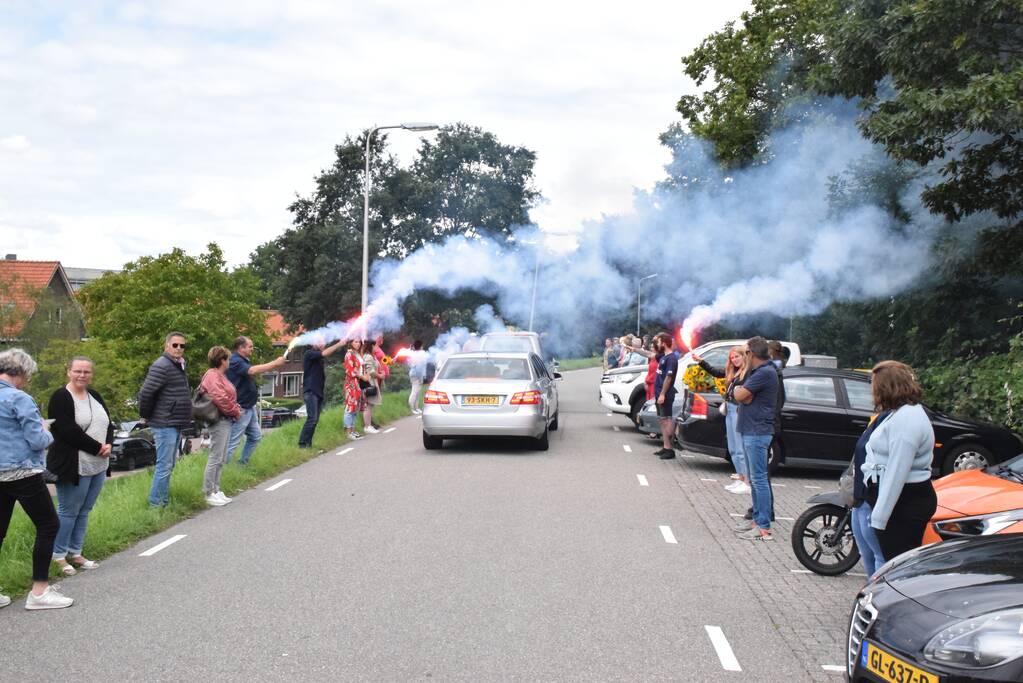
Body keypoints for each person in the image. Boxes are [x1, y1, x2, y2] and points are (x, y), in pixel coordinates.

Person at [0, 348, 74, 609]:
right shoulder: (19, 398)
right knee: (48, 525)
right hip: (21, 471)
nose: (27, 381)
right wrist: (46, 430)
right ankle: (40, 592)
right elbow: (36, 440)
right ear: (19, 373)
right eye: (27, 376)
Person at [862, 360, 936, 560]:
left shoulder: (907, 420)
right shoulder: (901, 413)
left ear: (886, 387)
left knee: (896, 565)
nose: (872, 391)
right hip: (901, 501)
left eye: (875, 385)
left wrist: (879, 519)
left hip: (904, 502)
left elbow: (897, 472)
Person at [46, 356, 114, 576]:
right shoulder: (60, 397)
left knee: (85, 511)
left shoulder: (94, 395)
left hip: (98, 465)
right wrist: (97, 447)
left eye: (86, 372)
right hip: (74, 465)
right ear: (69, 371)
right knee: (68, 511)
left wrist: (109, 444)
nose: (82, 375)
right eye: (78, 371)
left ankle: (76, 552)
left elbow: (107, 423)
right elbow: (66, 430)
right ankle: (58, 556)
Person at [138, 332, 192, 508]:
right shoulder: (162, 365)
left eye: (182, 346)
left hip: (174, 421)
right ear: (166, 346)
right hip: (164, 422)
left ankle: (163, 501)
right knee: (164, 465)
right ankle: (156, 505)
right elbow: (146, 393)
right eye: (175, 345)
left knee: (169, 464)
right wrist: (146, 415)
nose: (178, 349)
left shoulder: (178, 365)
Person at [733, 336, 778, 541]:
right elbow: (743, 394)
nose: (744, 357)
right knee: (755, 479)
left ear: (751, 353)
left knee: (759, 480)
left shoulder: (764, 373)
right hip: (752, 430)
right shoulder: (759, 372)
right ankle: (757, 520)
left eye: (745, 353)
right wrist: (741, 392)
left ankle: (763, 527)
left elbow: (741, 396)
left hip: (757, 432)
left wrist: (739, 392)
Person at [693, 345, 749, 494]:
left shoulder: (748, 373)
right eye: (732, 357)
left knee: (739, 447)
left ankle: (746, 481)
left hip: (738, 409)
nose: (735, 360)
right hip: (730, 407)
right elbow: (717, 373)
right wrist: (701, 362)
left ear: (744, 356)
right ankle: (740, 477)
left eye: (737, 356)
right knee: (732, 447)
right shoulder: (733, 371)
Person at [225, 336, 286, 465]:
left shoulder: (243, 360)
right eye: (250, 346)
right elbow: (252, 370)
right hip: (241, 408)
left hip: (250, 407)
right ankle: (223, 471)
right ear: (241, 348)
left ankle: (242, 464)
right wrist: (275, 363)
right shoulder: (235, 361)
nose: (252, 349)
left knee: (255, 436)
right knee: (233, 442)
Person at [850, 409, 892, 575]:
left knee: (879, 555)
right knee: (866, 553)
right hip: (860, 497)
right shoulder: (877, 419)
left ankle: (879, 597)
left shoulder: (890, 420)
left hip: (871, 497)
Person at [198, 346, 242, 506]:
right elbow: (219, 397)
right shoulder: (212, 375)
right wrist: (235, 410)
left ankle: (216, 489)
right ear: (222, 360)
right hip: (218, 420)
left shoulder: (219, 375)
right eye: (228, 359)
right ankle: (208, 492)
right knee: (215, 457)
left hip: (225, 419)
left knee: (221, 457)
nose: (229, 361)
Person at [298, 338, 345, 448]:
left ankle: (308, 445)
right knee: (312, 418)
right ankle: (302, 444)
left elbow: (323, 353)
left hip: (318, 392)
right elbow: (325, 353)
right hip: (311, 391)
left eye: (324, 341)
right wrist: (338, 344)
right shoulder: (309, 353)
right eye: (320, 341)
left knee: (315, 420)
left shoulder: (318, 357)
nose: (323, 343)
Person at [653, 333, 680, 459]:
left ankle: (671, 449)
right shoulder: (663, 356)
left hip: (665, 395)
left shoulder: (671, 359)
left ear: (663, 343)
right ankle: (666, 447)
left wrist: (663, 394)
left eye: (658, 342)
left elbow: (668, 378)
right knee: (662, 420)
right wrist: (635, 349)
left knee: (666, 420)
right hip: (659, 393)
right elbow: (650, 354)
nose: (657, 344)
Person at [343, 339, 365, 440]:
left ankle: (353, 430)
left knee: (355, 408)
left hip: (357, 383)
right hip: (351, 383)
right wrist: (360, 375)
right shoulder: (349, 354)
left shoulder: (357, 354)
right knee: (350, 407)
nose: (358, 344)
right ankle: (348, 432)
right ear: (351, 342)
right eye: (355, 342)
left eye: (359, 342)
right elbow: (349, 370)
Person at [361, 339, 383, 434]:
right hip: (369, 383)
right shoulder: (368, 356)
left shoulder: (370, 356)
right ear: (371, 346)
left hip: (372, 382)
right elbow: (370, 371)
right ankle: (367, 426)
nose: (376, 348)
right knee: (368, 405)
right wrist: (379, 375)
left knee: (370, 405)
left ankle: (369, 425)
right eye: (375, 346)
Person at [407, 340, 429, 415]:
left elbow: (409, 363)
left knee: (417, 392)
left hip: (413, 373)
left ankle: (416, 408)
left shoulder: (412, 353)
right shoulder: (422, 354)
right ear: (421, 346)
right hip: (417, 374)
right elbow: (422, 366)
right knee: (415, 392)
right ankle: (412, 408)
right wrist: (422, 377)